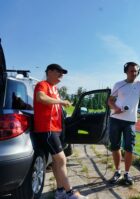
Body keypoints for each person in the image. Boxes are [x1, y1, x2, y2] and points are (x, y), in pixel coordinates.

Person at [33, 64, 88, 199]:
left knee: (57, 162)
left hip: (56, 129)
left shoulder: (55, 89)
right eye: (59, 72)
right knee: (62, 160)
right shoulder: (42, 84)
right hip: (47, 129)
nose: (62, 75)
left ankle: (60, 191)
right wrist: (61, 101)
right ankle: (70, 193)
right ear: (50, 72)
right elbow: (41, 98)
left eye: (63, 73)